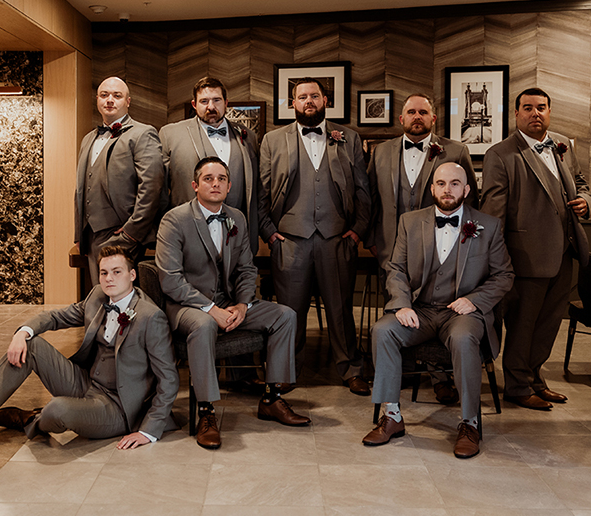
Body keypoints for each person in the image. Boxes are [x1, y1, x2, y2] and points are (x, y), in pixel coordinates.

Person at [0, 246, 179, 451]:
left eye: (117, 272)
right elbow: (56, 317)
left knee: (57, 409)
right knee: (31, 344)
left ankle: (32, 419)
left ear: (132, 275)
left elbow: (169, 379)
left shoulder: (150, 317)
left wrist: (148, 432)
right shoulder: (97, 297)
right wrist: (22, 332)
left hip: (117, 407)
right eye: (103, 273)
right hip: (85, 382)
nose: (109, 278)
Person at [155, 157, 309, 449]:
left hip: (228, 302)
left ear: (228, 186)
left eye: (221, 179)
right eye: (208, 179)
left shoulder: (236, 217)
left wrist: (242, 305)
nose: (215, 184)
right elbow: (171, 280)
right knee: (203, 326)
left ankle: (271, 399)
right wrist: (210, 309)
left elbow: (247, 269)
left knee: (285, 315)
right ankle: (206, 411)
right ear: (195, 185)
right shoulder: (174, 220)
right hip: (188, 306)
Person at [361, 163, 513, 458]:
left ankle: (469, 424)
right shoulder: (410, 222)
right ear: (432, 188)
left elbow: (504, 275)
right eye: (441, 183)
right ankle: (392, 417)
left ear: (466, 189)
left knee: (464, 339)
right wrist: (401, 303)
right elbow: (395, 268)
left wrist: (475, 300)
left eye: (455, 184)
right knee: (382, 330)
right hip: (420, 310)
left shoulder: (489, 225)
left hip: (461, 314)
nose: (447, 190)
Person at [259, 77, 372, 395]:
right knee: (290, 312)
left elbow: (363, 190)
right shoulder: (272, 140)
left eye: (315, 96)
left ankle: (351, 369)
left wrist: (357, 231)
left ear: (325, 101)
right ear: (292, 103)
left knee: (341, 309)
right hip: (289, 241)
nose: (309, 101)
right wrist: (269, 232)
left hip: (337, 239)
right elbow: (261, 193)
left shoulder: (348, 138)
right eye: (302, 96)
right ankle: (285, 371)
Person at [480, 87, 591, 410]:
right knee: (523, 325)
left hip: (564, 252)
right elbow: (493, 213)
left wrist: (586, 201)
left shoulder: (563, 145)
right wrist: (496, 261)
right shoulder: (500, 154)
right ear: (516, 114)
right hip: (524, 257)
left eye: (541, 107)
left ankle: (535, 380)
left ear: (549, 111)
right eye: (527, 108)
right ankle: (516, 386)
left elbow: (580, 183)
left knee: (548, 324)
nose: (535, 113)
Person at [365, 93, 477, 405]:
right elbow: (371, 199)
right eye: (411, 112)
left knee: (438, 309)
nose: (417, 117)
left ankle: (440, 378)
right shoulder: (381, 151)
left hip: (442, 249)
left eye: (423, 112)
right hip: (391, 248)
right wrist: (373, 239)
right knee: (398, 309)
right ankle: (398, 373)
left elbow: (471, 201)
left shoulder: (456, 150)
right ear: (401, 119)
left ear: (433, 119)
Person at [75, 76, 166, 286]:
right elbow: (80, 189)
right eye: (104, 95)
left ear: (128, 101)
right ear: (97, 99)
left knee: (124, 296)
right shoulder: (88, 138)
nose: (110, 100)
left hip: (124, 234)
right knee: (101, 294)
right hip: (91, 235)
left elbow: (152, 187)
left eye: (117, 95)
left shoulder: (143, 133)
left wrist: (131, 233)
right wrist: (79, 234)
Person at [160, 77, 259, 253]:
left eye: (216, 100)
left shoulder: (248, 136)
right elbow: (159, 190)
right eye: (204, 101)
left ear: (226, 103)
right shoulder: (171, 134)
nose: (211, 107)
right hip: (188, 235)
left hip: (236, 237)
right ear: (194, 104)